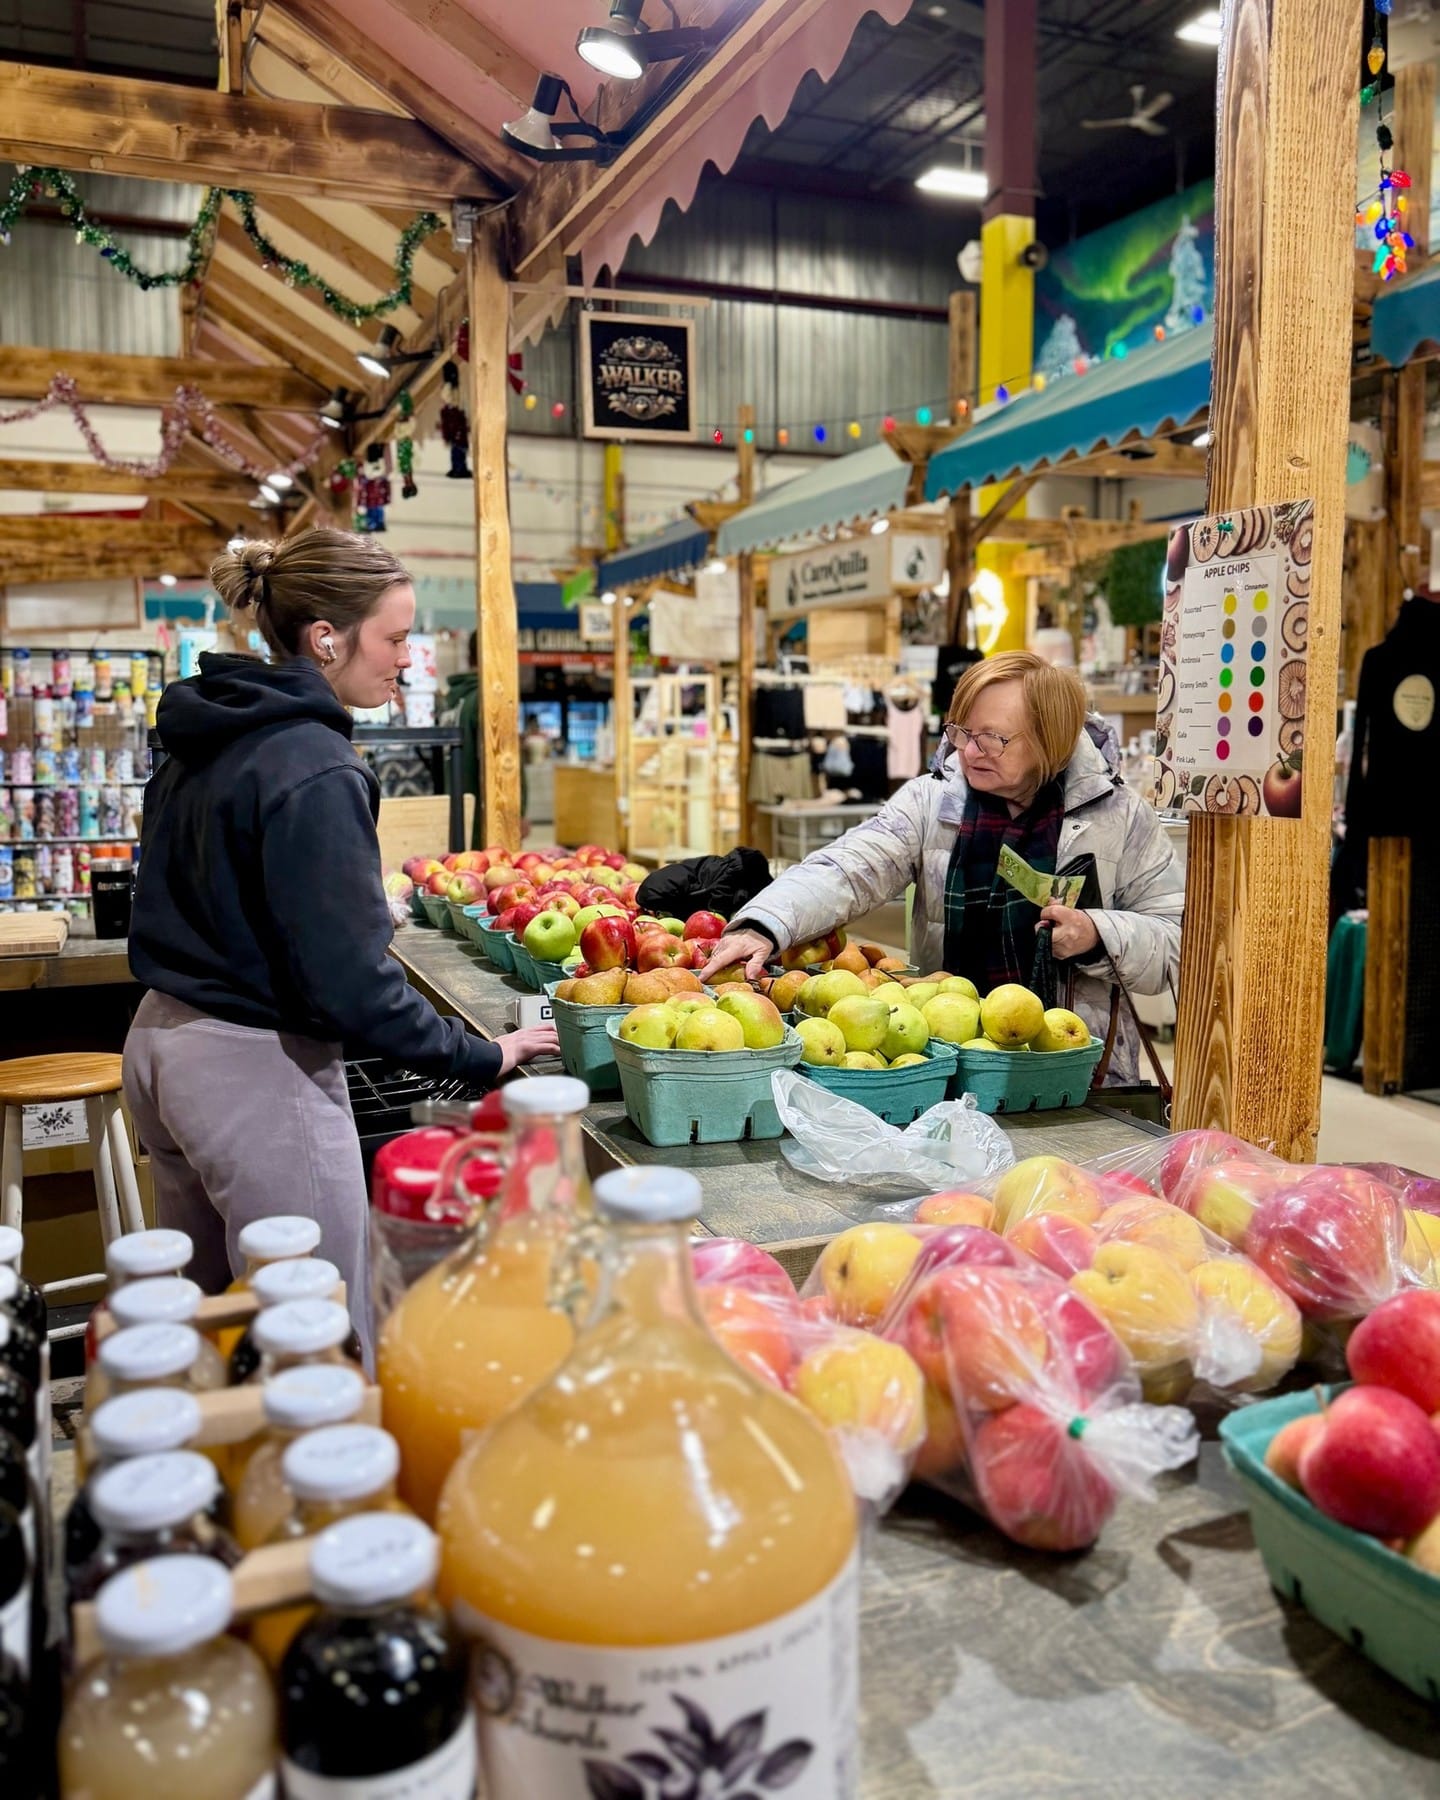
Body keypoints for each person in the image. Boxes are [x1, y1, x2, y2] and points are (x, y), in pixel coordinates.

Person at [123, 529, 558, 1356]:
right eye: (394, 638)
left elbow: (222, 894)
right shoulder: (316, 763)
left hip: (159, 1047)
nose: (405, 658)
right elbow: (350, 986)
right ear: (327, 636)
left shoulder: (207, 732)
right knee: (319, 1349)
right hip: (252, 1073)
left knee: (214, 1338)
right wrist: (478, 1056)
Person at [700, 652, 1182, 1082]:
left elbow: (1179, 944)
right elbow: (848, 869)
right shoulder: (931, 803)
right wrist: (766, 925)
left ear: (1050, 739)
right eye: (962, 732)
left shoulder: (1121, 819)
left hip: (1076, 1074)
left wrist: (1097, 933)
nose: (970, 751)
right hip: (946, 1066)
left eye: (993, 738)